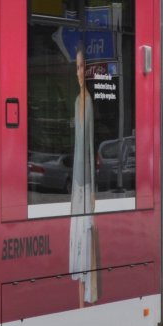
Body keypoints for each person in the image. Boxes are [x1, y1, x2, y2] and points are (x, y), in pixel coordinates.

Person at [69, 48, 99, 307]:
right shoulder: (77, 103)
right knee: (77, 241)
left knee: (85, 239)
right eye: (76, 67)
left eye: (81, 67)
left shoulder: (87, 102)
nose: (79, 72)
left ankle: (87, 300)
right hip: (75, 185)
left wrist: (92, 189)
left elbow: (89, 147)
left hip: (85, 184)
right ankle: (79, 306)